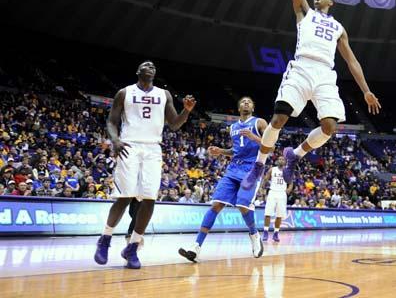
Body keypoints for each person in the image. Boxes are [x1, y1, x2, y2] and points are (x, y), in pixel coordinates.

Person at [240, 0, 381, 190]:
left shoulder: (339, 27)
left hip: (325, 75)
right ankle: (259, 165)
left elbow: (351, 60)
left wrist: (365, 90)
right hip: (302, 67)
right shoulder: (304, 12)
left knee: (329, 127)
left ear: (332, 1)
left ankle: (295, 154)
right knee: (279, 118)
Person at [94, 61, 196, 269]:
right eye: (145, 65)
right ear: (138, 71)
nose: (150, 66)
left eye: (153, 66)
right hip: (129, 145)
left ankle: (132, 247)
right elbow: (112, 121)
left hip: (153, 148)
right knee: (124, 196)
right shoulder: (124, 93)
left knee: (149, 199)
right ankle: (105, 239)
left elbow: (175, 125)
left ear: (155, 74)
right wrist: (114, 140)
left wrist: (186, 111)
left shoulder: (164, 95)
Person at [178, 97, 267, 263]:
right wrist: (221, 151)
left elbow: (271, 146)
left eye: (249, 101)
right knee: (216, 205)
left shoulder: (259, 123)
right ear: (238, 107)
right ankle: (196, 248)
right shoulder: (232, 127)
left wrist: (254, 137)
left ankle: (254, 235)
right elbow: (235, 151)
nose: (246, 103)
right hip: (233, 169)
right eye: (243, 101)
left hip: (252, 169)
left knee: (242, 204)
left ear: (253, 107)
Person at [261, 156, 292, 243]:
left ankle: (276, 233)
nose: (281, 160)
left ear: (285, 162)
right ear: (277, 161)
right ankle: (265, 232)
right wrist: (263, 185)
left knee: (279, 215)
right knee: (268, 213)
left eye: (283, 159)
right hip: (273, 192)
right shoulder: (272, 169)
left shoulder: (287, 171)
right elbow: (266, 178)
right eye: (279, 159)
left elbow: (291, 182)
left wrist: (289, 189)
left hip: (282, 193)